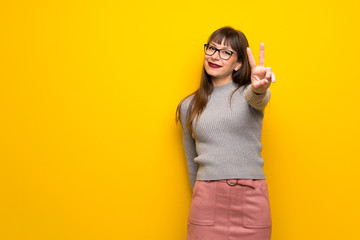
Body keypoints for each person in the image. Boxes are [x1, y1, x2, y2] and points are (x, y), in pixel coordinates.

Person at [175, 26, 276, 240]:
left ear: (238, 63)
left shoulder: (249, 94)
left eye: (226, 52)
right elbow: (191, 162)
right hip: (207, 200)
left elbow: (259, 97)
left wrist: (259, 87)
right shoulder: (188, 106)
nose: (215, 56)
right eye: (212, 48)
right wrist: (204, 192)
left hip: (251, 199)